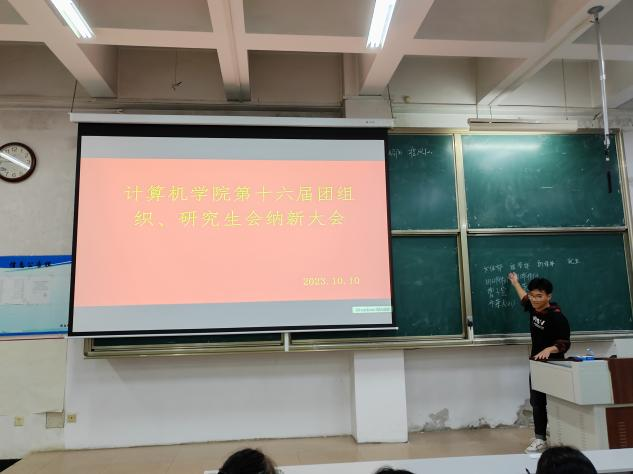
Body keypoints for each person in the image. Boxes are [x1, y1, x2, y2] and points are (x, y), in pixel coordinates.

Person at [508, 273, 570, 453]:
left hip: (555, 364)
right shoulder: (534, 307)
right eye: (533, 295)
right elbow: (524, 298)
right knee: (537, 401)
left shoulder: (557, 317)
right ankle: (540, 438)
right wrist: (515, 283)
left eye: (539, 296)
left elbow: (565, 343)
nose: (534, 299)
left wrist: (550, 349)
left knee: (556, 401)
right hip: (537, 363)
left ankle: (557, 433)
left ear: (548, 296)